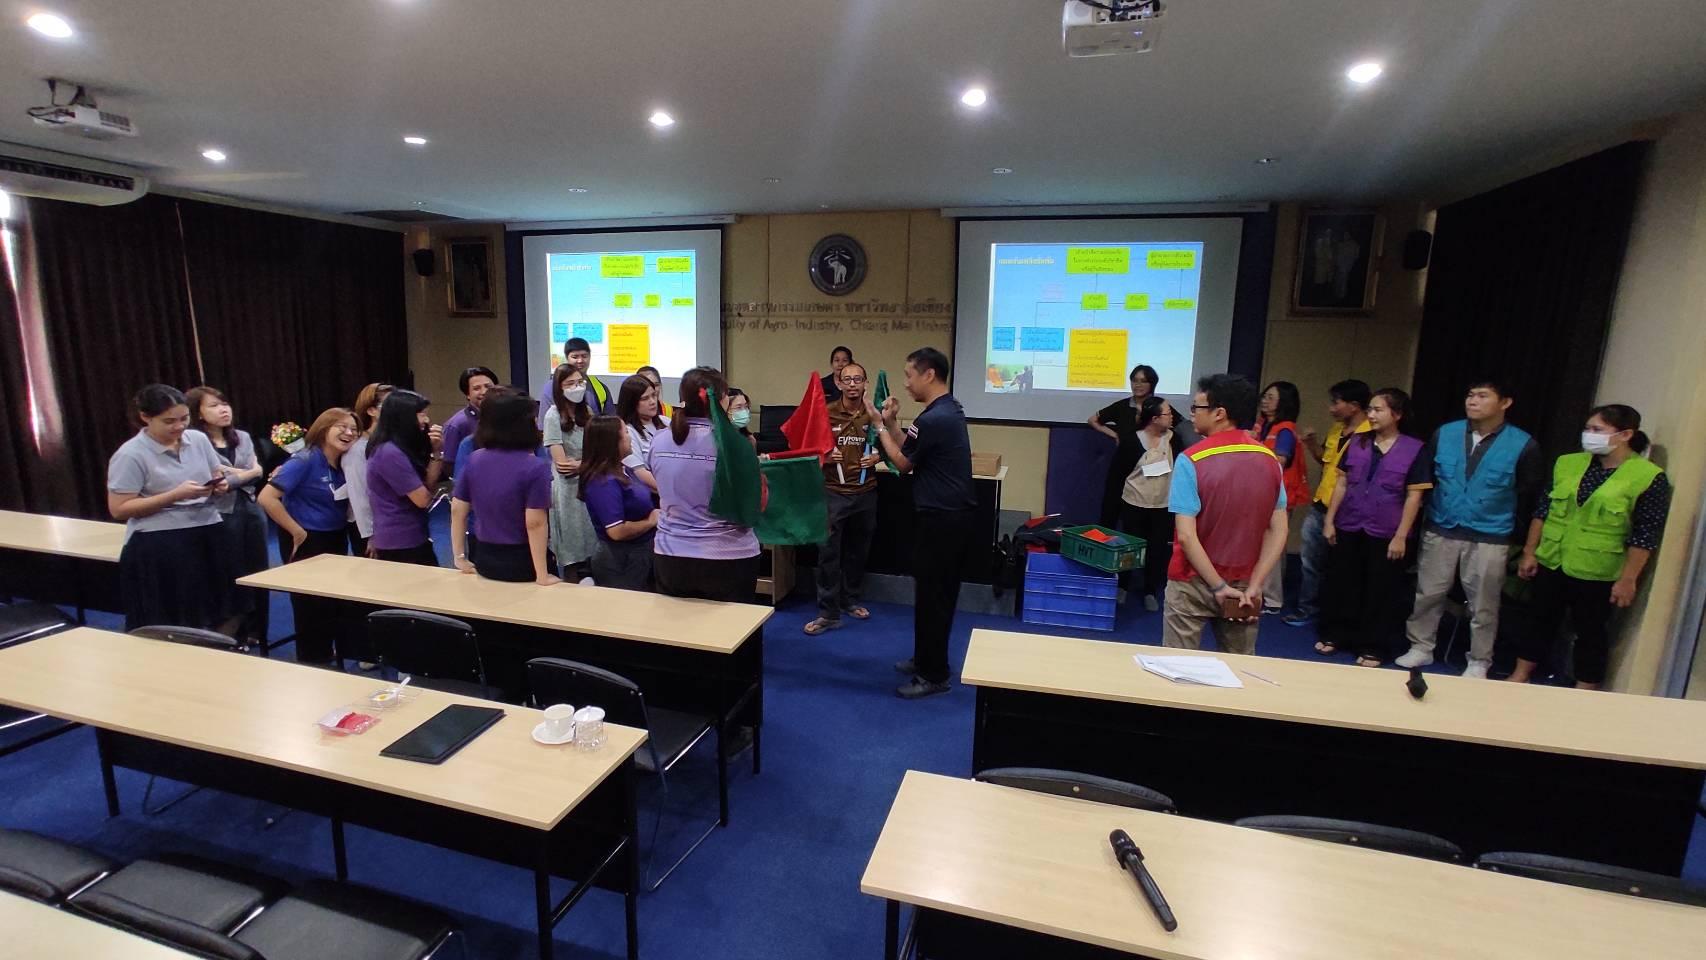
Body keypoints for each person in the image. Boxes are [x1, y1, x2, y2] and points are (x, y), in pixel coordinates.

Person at [1510, 405, 1671, 689]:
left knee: (1591, 632)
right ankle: (1520, 674)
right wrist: (1530, 552)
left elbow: (1645, 535)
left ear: (1625, 435)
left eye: (1598, 430)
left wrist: (1628, 579)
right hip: (1553, 559)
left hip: (1599, 569)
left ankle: (1585, 690)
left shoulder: (1647, 477)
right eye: (1588, 428)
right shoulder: (1568, 463)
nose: (1589, 435)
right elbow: (1543, 510)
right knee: (1537, 620)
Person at [1395, 379, 1544, 678]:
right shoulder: (1445, 433)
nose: (1472, 401)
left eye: (1482, 396)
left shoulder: (1523, 444)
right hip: (1441, 527)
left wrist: (1525, 544)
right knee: (1428, 593)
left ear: (1505, 403)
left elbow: (1530, 495)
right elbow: (1426, 478)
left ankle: (1479, 660)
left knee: (1484, 603)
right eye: (1470, 395)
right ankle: (1421, 646)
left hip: (1491, 534)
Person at [868, 347, 976, 699]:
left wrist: (878, 425)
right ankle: (925, 658)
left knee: (935, 597)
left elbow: (901, 464)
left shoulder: (936, 418)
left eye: (909, 375)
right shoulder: (943, 411)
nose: (906, 383)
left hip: (944, 520)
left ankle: (934, 674)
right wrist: (892, 425)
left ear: (929, 375)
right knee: (930, 593)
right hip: (943, 518)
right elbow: (910, 451)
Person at [1162, 374, 1289, 655]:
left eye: (1197, 407)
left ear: (1219, 413)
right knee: (1239, 664)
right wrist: (1256, 584)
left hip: (1191, 580)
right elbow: (1279, 529)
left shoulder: (1191, 460)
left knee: (1178, 664)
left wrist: (1218, 586)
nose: (1192, 414)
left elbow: (1186, 536)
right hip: (1245, 582)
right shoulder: (1270, 460)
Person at [107, 384, 231, 633]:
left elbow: (215, 472)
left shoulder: (197, 439)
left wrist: (220, 484)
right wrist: (174, 495)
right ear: (145, 417)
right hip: (160, 539)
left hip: (208, 528)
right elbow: (119, 509)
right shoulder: (130, 454)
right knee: (171, 615)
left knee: (224, 607)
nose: (179, 426)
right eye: (169, 421)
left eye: (184, 418)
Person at [1319, 388, 1429, 666]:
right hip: (1350, 523)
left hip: (1387, 531)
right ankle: (1336, 634)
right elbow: (1341, 482)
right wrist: (1330, 520)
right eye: (1370, 409)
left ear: (1397, 414)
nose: (1371, 414)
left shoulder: (1414, 449)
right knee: (1343, 583)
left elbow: (1414, 496)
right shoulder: (1357, 442)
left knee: (1381, 590)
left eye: (1378, 410)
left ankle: (1373, 646)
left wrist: (1401, 536)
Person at [648, 367, 762, 601]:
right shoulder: (736, 445)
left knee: (674, 623)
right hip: (728, 556)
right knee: (734, 625)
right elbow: (752, 505)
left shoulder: (659, 441)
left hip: (671, 556)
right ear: (722, 400)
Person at [258, 408, 358, 663]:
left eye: (353, 430)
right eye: (342, 427)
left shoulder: (344, 462)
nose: (348, 433)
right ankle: (312, 661)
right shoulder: (304, 460)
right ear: (323, 428)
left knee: (331, 603)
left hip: (335, 536)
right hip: (306, 539)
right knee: (310, 606)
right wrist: (296, 530)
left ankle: (329, 654)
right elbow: (267, 498)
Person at [1284, 380, 1372, 627]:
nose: (1331, 408)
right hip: (1321, 504)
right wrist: (1311, 445)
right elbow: (1326, 461)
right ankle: (1307, 608)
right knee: (1310, 561)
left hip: (1349, 510)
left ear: (1354, 406)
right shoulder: (1336, 429)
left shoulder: (1371, 434)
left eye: (1336, 403)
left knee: (1341, 566)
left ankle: (1334, 615)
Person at [806, 362, 883, 636]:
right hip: (833, 493)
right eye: (847, 379)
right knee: (828, 553)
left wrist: (878, 457)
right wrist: (825, 456)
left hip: (865, 492)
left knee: (858, 551)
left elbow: (889, 445)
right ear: (838, 383)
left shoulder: (873, 413)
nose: (852, 384)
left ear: (865, 383)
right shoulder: (826, 413)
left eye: (857, 379)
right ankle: (828, 613)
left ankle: (850, 600)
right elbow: (809, 448)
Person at [185, 385, 268, 643]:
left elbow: (255, 474)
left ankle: (257, 630)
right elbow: (215, 481)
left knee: (258, 569)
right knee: (229, 572)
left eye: (225, 404)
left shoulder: (242, 437)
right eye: (214, 406)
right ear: (198, 413)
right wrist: (249, 473)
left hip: (250, 509)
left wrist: (240, 474)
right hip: (217, 513)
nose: (223, 410)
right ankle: (230, 631)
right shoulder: (193, 442)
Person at [451, 390, 558, 584]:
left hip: (484, 557)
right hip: (522, 561)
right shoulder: (535, 467)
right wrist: (542, 574)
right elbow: (535, 523)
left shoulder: (474, 459)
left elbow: (457, 510)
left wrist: (459, 557)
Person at [1116, 396, 1182, 613]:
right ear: (1154, 419)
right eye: (1167, 414)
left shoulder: (1174, 440)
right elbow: (1118, 474)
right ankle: (1123, 585)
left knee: (1157, 549)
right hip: (1134, 502)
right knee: (1130, 547)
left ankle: (1150, 591)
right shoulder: (1132, 441)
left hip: (1162, 505)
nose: (1171, 417)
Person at [579, 416, 660, 590]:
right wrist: (650, 521)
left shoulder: (625, 470)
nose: (630, 437)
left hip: (641, 556)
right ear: (612, 441)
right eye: (626, 433)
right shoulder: (603, 482)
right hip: (620, 562)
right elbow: (616, 531)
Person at [364, 390, 444, 565]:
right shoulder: (389, 453)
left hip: (412, 535)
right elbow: (422, 499)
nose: (426, 420)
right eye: (421, 414)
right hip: (400, 541)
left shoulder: (398, 447)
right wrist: (435, 456)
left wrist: (436, 452)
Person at [1253, 381, 1309, 615]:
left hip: (1278, 495)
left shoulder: (1285, 431)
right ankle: (1265, 593)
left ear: (1283, 402)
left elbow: (1279, 462)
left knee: (1272, 545)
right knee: (1266, 543)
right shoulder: (1264, 425)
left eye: (1271, 397)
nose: (1264, 401)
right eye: (1264, 396)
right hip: (1263, 492)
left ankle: (1272, 599)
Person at [543, 364, 599, 581]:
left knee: (594, 547)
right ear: (559, 388)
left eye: (580, 382)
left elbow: (598, 452)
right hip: (568, 491)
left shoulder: (588, 412)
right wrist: (590, 463)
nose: (577, 387)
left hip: (590, 483)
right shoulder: (553, 415)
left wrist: (584, 464)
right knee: (573, 551)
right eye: (570, 384)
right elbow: (563, 465)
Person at [1090, 365, 1160, 529]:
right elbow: (1093, 420)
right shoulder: (1122, 406)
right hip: (1122, 463)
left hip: (1149, 466)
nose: (1137, 385)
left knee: (1140, 514)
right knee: (1110, 509)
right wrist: (1115, 435)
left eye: (1143, 381)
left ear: (1152, 384)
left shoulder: (1160, 407)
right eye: (1134, 380)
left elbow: (1179, 426)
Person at [344, 381, 394, 556]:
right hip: (367, 529)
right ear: (371, 410)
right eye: (389, 405)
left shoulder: (388, 441)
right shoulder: (358, 448)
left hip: (389, 522)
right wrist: (371, 535)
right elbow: (359, 496)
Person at [439, 365, 496, 477]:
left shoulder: (502, 417)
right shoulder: (457, 424)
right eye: (477, 388)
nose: (484, 391)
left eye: (488, 386)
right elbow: (449, 465)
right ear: (468, 395)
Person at [617, 374, 668, 491]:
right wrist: (669, 492)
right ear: (631, 402)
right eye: (645, 398)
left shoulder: (666, 422)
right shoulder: (627, 432)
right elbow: (639, 472)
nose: (653, 402)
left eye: (653, 395)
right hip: (654, 494)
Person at [563, 337, 614, 414]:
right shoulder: (553, 386)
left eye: (584, 356)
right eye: (575, 357)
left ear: (590, 357)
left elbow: (610, 418)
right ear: (567, 358)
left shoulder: (600, 387)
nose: (580, 361)